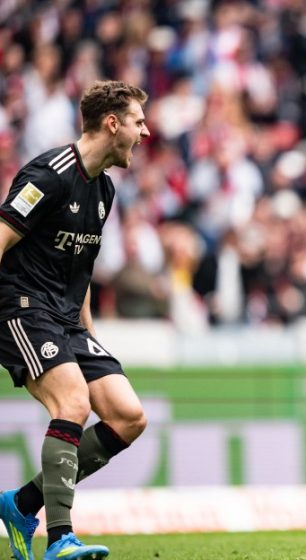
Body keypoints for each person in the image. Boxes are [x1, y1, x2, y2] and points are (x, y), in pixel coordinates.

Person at [0, 80, 151, 560]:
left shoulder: (104, 190)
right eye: (138, 122)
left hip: (67, 319)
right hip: (22, 308)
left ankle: (21, 504)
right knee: (73, 402)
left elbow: (78, 269)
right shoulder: (48, 174)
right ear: (112, 123)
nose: (145, 132)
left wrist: (86, 333)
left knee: (128, 417)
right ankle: (60, 538)